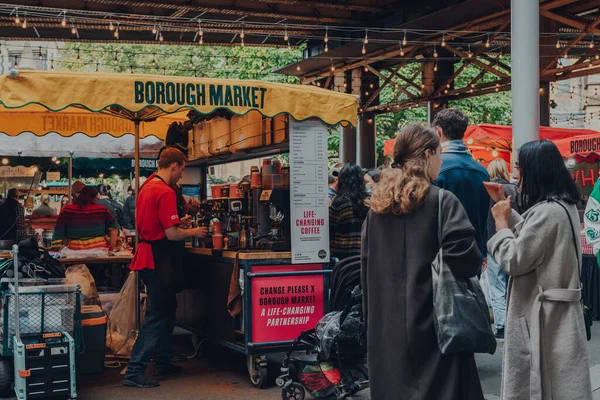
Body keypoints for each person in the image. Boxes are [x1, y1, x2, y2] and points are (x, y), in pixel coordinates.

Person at [362, 124, 484, 400]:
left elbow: (366, 269)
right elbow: (466, 262)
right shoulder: (443, 202)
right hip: (438, 328)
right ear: (428, 154)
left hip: (387, 331)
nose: (441, 160)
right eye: (439, 153)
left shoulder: (376, 210)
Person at [486, 140, 592, 400]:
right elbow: (536, 238)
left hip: (544, 319)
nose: (516, 173)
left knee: (545, 387)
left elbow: (515, 259)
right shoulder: (560, 206)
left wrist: (501, 223)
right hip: (557, 316)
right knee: (561, 386)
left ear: (535, 170)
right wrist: (507, 210)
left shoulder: (547, 212)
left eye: (520, 166)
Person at [124, 148, 207, 389]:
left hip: (149, 255)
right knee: (158, 314)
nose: (182, 175)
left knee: (168, 308)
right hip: (158, 258)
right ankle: (134, 370)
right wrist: (194, 231)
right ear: (174, 165)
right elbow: (171, 235)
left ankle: (162, 362)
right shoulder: (165, 191)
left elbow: (159, 224)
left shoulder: (147, 186)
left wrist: (178, 221)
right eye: (182, 169)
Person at [433, 108, 490, 272]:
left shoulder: (436, 169)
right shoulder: (482, 172)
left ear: (438, 131)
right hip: (474, 256)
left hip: (442, 259)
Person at [484, 159, 519, 340]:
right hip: (515, 237)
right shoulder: (515, 189)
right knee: (514, 283)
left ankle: (501, 325)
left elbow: (484, 218)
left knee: (497, 285)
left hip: (493, 241)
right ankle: (513, 323)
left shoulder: (487, 190)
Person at [52, 186, 118, 251]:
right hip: (99, 249)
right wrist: (112, 247)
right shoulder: (101, 210)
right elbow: (114, 228)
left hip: (75, 251)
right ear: (94, 197)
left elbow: (58, 230)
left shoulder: (68, 210)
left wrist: (57, 246)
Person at [329, 163, 369, 260]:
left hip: (342, 257)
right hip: (365, 253)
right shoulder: (369, 202)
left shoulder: (339, 203)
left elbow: (330, 229)